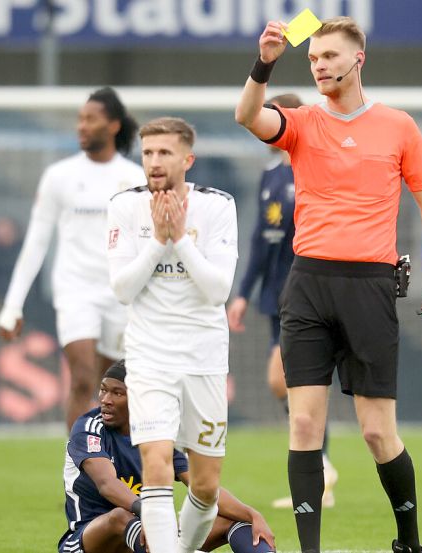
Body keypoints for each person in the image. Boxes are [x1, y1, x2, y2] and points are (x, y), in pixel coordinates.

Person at [235, 16, 422, 553]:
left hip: (370, 286)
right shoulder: (303, 122)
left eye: (329, 56)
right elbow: (246, 116)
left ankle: (409, 542)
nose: (319, 65)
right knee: (304, 425)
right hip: (307, 284)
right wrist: (266, 60)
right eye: (312, 58)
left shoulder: (399, 126)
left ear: (358, 59)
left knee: (378, 433)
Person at [107, 117, 238, 553]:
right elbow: (123, 289)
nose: (154, 161)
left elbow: (218, 289)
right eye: (147, 153)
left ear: (188, 159)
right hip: (149, 357)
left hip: (203, 356)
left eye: (164, 153)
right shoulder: (125, 206)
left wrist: (179, 239)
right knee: (157, 464)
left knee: (205, 486)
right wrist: (157, 242)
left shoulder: (218, 206)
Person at [0, 87, 146, 431]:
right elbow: (36, 241)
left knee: (116, 387)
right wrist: (12, 304)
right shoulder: (59, 177)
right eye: (80, 119)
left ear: (112, 126)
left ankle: (115, 464)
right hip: (75, 291)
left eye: (90, 119)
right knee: (81, 379)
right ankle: (78, 469)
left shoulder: (134, 178)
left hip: (120, 294)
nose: (81, 126)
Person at [227, 93, 339, 510]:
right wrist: (242, 294)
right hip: (277, 294)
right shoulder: (270, 174)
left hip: (310, 290)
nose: (262, 122)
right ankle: (321, 465)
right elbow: (261, 238)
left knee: (291, 379)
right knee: (286, 382)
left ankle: (320, 465)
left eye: (270, 114)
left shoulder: (315, 165)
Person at [60, 360, 275, 553]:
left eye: (117, 393)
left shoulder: (160, 433)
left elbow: (201, 486)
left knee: (232, 519)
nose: (105, 400)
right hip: (88, 540)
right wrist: (151, 514)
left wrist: (252, 514)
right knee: (119, 517)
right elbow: (106, 483)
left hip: (147, 535)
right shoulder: (89, 428)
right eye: (103, 390)